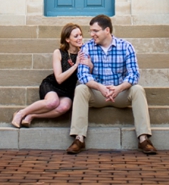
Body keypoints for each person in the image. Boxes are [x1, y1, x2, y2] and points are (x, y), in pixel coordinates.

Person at [67, 14, 157, 155]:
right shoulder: (86, 48)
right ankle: (79, 138)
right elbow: (83, 75)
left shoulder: (126, 47)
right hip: (98, 94)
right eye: (91, 31)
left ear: (107, 30)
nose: (91, 34)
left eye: (95, 31)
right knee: (81, 89)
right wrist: (100, 87)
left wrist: (119, 88)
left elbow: (134, 75)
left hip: (120, 93)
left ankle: (143, 138)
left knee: (138, 90)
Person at [11, 23, 91, 128]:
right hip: (53, 85)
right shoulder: (58, 53)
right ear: (67, 39)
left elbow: (90, 70)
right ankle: (21, 113)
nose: (80, 38)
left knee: (65, 107)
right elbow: (59, 79)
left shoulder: (84, 53)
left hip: (68, 90)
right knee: (53, 102)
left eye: (80, 35)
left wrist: (88, 63)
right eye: (76, 36)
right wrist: (76, 65)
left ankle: (32, 115)